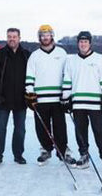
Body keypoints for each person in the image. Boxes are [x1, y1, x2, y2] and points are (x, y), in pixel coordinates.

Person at [61, 31, 102, 172]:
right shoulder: (71, 61)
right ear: (78, 43)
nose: (83, 44)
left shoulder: (98, 59)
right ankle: (84, 156)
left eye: (86, 42)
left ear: (90, 43)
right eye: (81, 41)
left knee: (99, 131)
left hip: (95, 103)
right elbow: (67, 80)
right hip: (78, 102)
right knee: (80, 131)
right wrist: (65, 98)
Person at [25, 25, 76, 166]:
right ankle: (46, 150)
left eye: (47, 35)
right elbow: (29, 76)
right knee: (42, 126)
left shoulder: (62, 53)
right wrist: (30, 93)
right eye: (42, 35)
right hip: (40, 98)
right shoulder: (34, 55)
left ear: (52, 36)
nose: (45, 37)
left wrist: (67, 94)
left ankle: (63, 151)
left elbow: (67, 74)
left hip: (58, 98)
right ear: (39, 37)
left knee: (60, 126)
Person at [0, 28, 30, 165]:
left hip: (21, 100)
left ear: (19, 38)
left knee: (20, 130)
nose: (12, 39)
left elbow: (32, 76)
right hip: (3, 99)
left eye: (14, 36)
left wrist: (29, 94)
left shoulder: (26, 55)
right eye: (9, 36)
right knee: (0, 128)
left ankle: (18, 155)